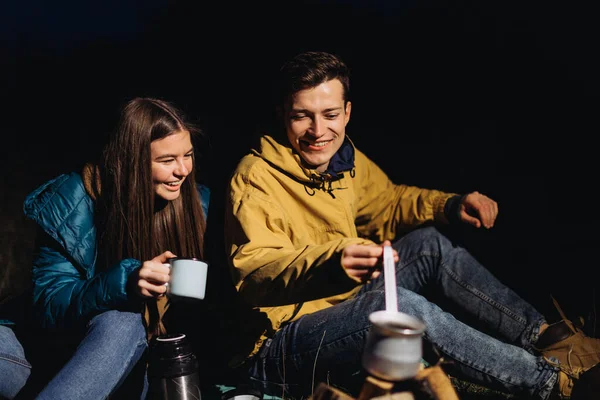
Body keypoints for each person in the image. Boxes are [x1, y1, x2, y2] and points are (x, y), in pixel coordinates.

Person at [222, 50, 600, 400]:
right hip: (278, 346)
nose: (318, 130)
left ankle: (552, 338)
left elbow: (387, 202)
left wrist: (449, 205)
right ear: (282, 114)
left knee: (429, 244)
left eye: (330, 114)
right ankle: (552, 383)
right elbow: (254, 273)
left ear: (347, 112)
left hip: (342, 305)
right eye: (302, 115)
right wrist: (333, 261)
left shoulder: (342, 161)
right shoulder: (256, 177)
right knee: (403, 307)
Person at [20, 97, 210, 399]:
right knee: (122, 319)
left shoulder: (199, 205)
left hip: (155, 362)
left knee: (123, 324)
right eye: (166, 160)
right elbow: (49, 304)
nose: (183, 170)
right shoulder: (76, 199)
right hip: (56, 351)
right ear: (131, 161)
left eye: (187, 155)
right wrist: (125, 282)